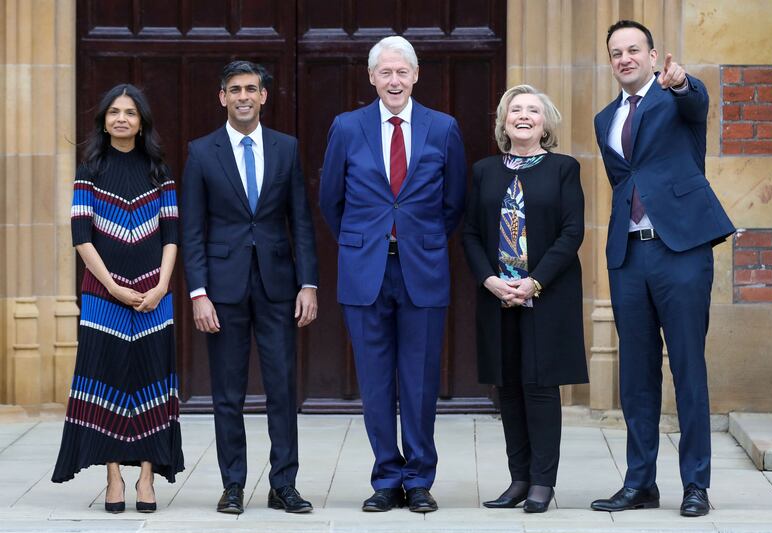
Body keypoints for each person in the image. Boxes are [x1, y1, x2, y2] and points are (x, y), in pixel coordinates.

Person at [590, 20, 735, 518]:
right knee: (635, 374)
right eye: (616, 52)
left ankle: (696, 484)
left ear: (654, 57)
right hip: (628, 255)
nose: (625, 58)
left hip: (681, 251)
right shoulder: (605, 116)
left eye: (634, 50)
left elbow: (697, 101)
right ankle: (640, 482)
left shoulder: (678, 98)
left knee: (688, 366)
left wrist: (682, 83)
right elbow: (624, 180)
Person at [319, 35, 466, 513]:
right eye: (386, 72)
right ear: (372, 78)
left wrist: (414, 239)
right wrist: (368, 241)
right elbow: (331, 201)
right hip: (365, 271)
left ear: (416, 75)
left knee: (420, 379)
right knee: (376, 379)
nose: (395, 80)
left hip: (422, 268)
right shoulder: (347, 126)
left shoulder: (443, 128)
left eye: (402, 72)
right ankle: (386, 477)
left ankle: (419, 478)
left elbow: (453, 203)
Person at [181, 60, 318, 515]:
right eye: (234, 89)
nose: (243, 96)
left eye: (251, 89)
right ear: (222, 97)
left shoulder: (286, 148)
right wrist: (198, 292)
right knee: (227, 392)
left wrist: (308, 284)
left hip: (278, 286)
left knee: (282, 388)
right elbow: (193, 230)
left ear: (264, 96)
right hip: (222, 291)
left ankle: (284, 485)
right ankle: (233, 485)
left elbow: (300, 220)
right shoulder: (201, 152)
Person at [52, 84, 184, 514]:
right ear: (104, 120)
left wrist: (162, 285)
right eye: (114, 112)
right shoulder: (89, 169)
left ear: (141, 120)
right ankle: (113, 475)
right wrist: (113, 287)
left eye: (130, 112)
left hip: (153, 293)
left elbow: (171, 233)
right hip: (103, 296)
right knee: (106, 378)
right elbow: (81, 236)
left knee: (149, 379)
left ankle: (147, 476)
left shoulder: (158, 170)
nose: (122, 118)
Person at [462, 85, 587, 514]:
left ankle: (542, 484)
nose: (524, 116)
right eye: (515, 109)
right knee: (509, 387)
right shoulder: (483, 171)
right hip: (498, 296)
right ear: (503, 121)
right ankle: (518, 479)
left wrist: (534, 282)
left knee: (539, 387)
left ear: (546, 122)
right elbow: (471, 233)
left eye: (533, 110)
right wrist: (489, 280)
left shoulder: (564, 169)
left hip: (545, 295)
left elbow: (572, 232)